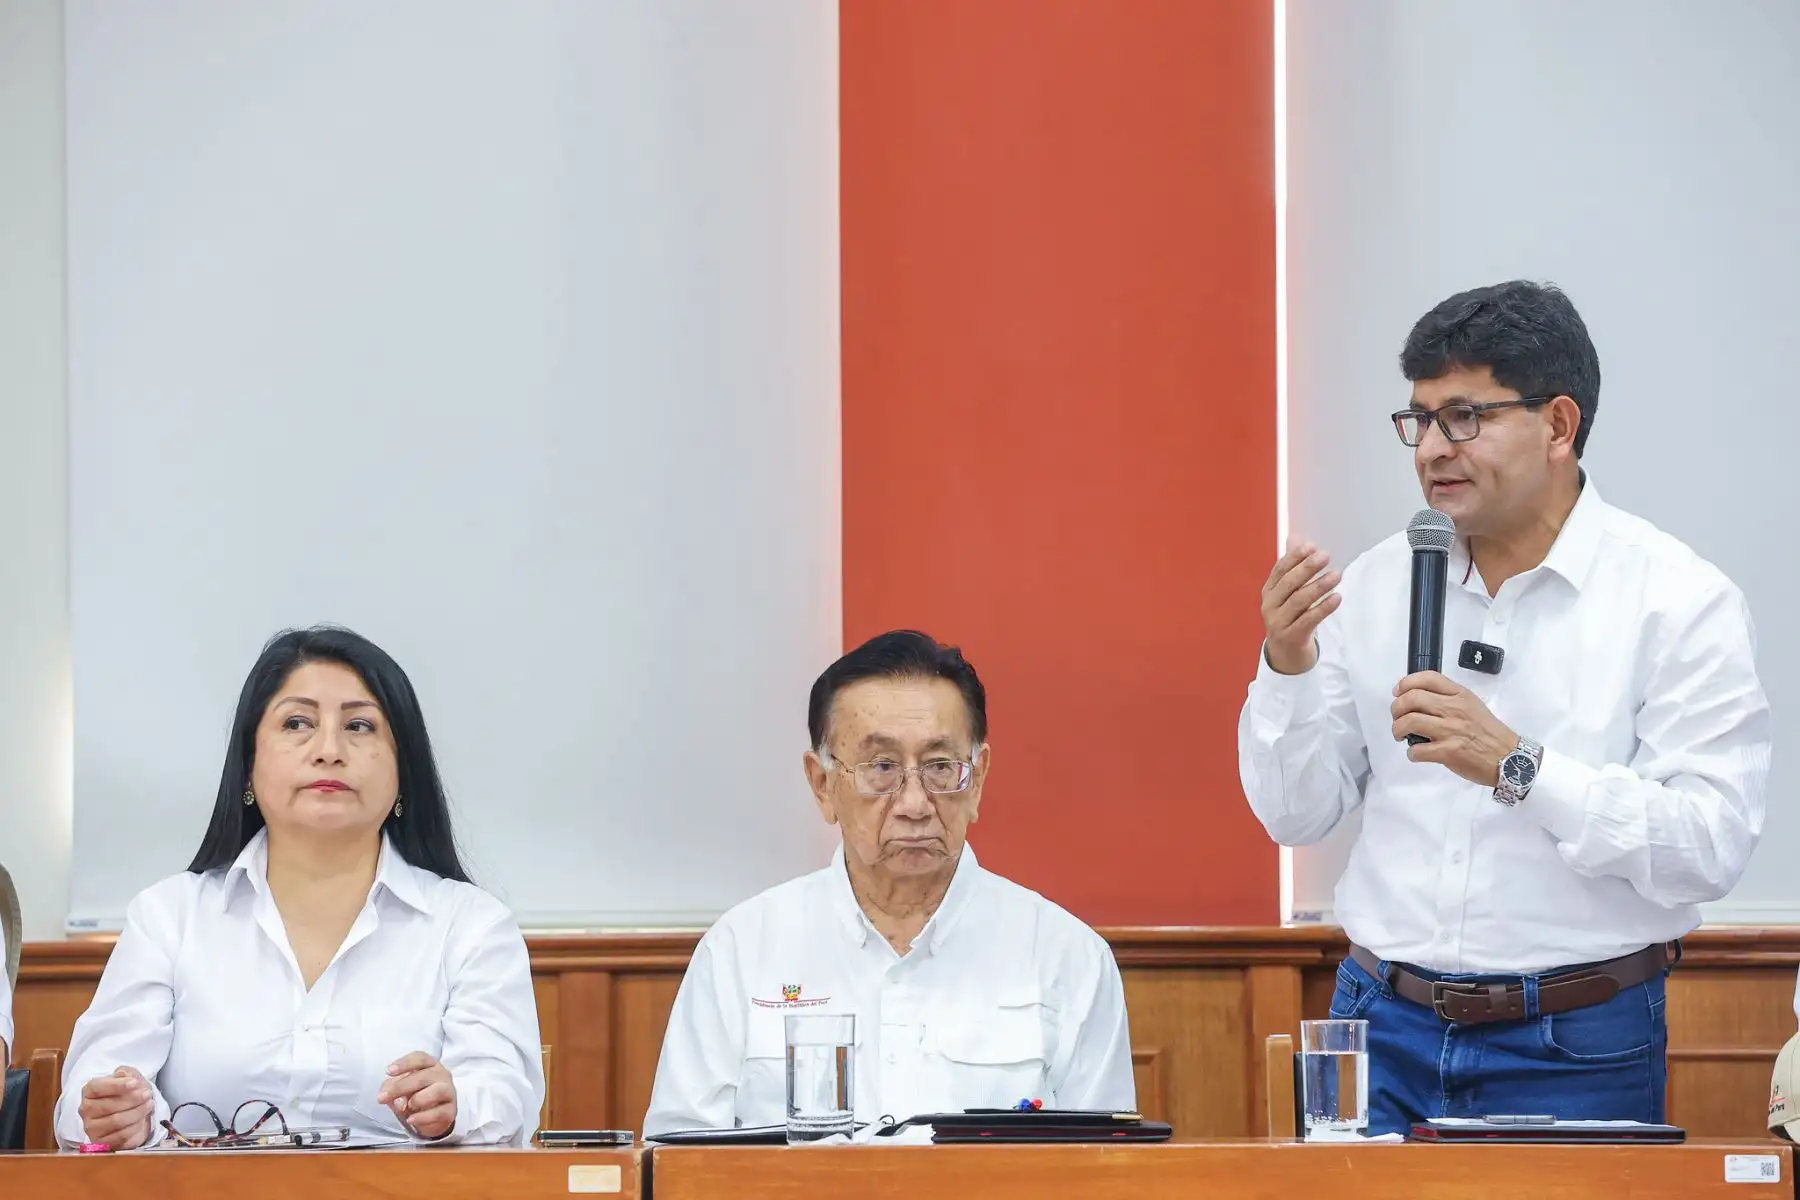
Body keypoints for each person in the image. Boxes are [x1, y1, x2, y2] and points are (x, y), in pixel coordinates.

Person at [1239, 280, 1770, 1135]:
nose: (1431, 450)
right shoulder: (1376, 585)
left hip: (1578, 1039)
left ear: (1558, 425)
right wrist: (1287, 664)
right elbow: (1293, 813)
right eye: (1419, 419)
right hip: (1380, 1022)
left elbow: (1707, 846)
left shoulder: (1675, 599)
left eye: (1465, 417)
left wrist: (1521, 768)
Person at [56, 626, 544, 1149]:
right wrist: (120, 1116)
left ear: (404, 772)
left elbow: (505, 1096)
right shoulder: (168, 917)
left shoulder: (470, 925)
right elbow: (86, 1099)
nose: (329, 750)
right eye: (297, 723)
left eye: (359, 725)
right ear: (247, 768)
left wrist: (455, 1105)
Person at [644, 630, 1135, 1135]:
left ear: (979, 778)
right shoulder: (741, 952)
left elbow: (1108, 1174)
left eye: (941, 767)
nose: (915, 804)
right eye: (882, 768)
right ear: (822, 785)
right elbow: (677, 1162)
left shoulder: (1066, 957)